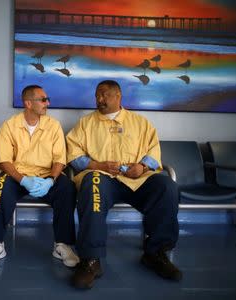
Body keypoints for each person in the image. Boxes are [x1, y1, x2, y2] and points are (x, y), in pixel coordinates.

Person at [66, 80, 181, 289]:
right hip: (103, 179)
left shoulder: (140, 122)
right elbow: (74, 155)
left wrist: (143, 167)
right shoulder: (85, 123)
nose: (99, 99)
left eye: (104, 95)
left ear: (118, 96)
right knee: (92, 183)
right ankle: (91, 259)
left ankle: (155, 253)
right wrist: (98, 164)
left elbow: (154, 152)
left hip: (137, 180)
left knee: (167, 187)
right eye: (97, 95)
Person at [0, 85, 79, 268]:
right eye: (43, 100)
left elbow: (60, 159)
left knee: (68, 188)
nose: (47, 103)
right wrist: (23, 179)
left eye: (47, 99)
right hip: (17, 176)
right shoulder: (9, 126)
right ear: (28, 103)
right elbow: (3, 160)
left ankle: (62, 245)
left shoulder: (53, 125)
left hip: (46, 176)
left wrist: (51, 180)